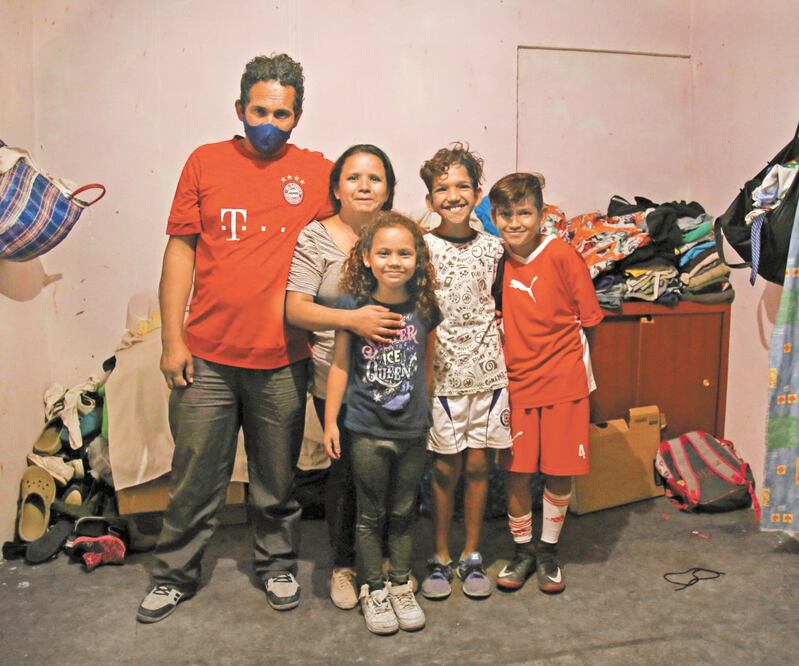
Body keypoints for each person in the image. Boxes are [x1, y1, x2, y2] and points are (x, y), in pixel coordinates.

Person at [137, 54, 334, 624]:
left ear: (297, 116)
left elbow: (354, 228)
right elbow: (181, 250)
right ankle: (174, 575)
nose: (268, 121)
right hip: (207, 359)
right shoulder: (205, 161)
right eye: (258, 110)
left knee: (276, 480)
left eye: (282, 113)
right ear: (239, 108)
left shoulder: (317, 172)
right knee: (196, 479)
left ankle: (276, 564)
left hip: (283, 359)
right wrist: (172, 340)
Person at [285, 144, 403, 609]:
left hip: (395, 376)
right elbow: (296, 308)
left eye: (375, 178)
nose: (364, 186)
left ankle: (390, 561)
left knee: (394, 470)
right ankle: (344, 565)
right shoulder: (315, 238)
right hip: (335, 373)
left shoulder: (399, 234)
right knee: (348, 471)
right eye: (353, 178)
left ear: (389, 189)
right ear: (336, 188)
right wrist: (351, 321)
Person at [324, 212, 441, 635]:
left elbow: (427, 365)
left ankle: (399, 584)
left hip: (411, 430)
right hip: (366, 431)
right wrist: (331, 423)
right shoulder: (353, 307)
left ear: (418, 259)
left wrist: (425, 414)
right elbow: (339, 366)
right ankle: (373, 589)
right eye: (385, 253)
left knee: (405, 510)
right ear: (368, 258)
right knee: (370, 515)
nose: (395, 261)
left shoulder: (425, 307)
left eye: (405, 253)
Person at [489, 173, 603, 594]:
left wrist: (576, 373)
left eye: (524, 212)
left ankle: (548, 551)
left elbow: (590, 323)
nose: (515, 222)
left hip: (564, 384)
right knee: (517, 473)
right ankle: (522, 551)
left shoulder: (562, 255)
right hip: (515, 385)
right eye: (506, 213)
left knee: (558, 470)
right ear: (494, 216)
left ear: (541, 214)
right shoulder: (494, 260)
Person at [417, 143, 511, 601]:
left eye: (461, 186)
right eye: (441, 188)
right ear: (430, 198)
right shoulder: (420, 248)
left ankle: (472, 553)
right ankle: (438, 554)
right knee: (443, 467)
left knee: (478, 465)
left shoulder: (496, 248)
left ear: (477, 194)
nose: (452, 195)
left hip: (488, 374)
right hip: (441, 376)